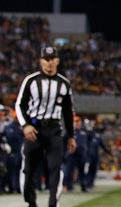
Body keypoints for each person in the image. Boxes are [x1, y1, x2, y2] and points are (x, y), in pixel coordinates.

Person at [15, 45, 77, 207]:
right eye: (46, 60)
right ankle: (31, 202)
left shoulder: (64, 84)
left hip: (54, 130)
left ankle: (52, 204)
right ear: (41, 61)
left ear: (57, 61)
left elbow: (68, 112)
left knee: (55, 169)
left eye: (52, 60)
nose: (49, 63)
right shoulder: (31, 80)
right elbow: (19, 105)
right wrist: (25, 125)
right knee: (28, 169)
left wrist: (71, 136)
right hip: (34, 129)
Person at [62, 115, 88, 192]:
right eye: (76, 122)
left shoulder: (84, 131)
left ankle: (83, 186)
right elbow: (63, 142)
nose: (77, 123)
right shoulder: (69, 132)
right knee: (69, 171)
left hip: (81, 154)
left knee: (82, 171)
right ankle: (68, 186)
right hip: (71, 154)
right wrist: (65, 152)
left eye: (78, 122)